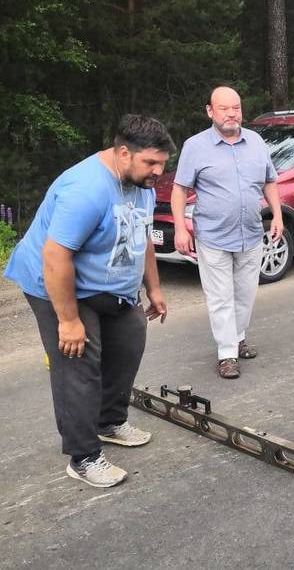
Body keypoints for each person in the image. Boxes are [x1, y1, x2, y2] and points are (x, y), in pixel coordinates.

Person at [4, 115, 175, 487]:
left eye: (162, 163)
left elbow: (141, 236)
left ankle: (109, 421)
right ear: (123, 152)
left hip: (108, 286)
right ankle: (83, 456)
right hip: (56, 283)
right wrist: (68, 321)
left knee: (130, 337)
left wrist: (154, 289)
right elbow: (56, 257)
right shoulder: (86, 189)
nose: (158, 172)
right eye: (151, 163)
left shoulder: (142, 183)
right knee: (79, 361)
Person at [172, 86, 283, 379]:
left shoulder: (257, 142)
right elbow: (180, 189)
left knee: (246, 293)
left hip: (250, 232)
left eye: (236, 107)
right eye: (224, 108)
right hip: (213, 236)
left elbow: (270, 181)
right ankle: (226, 354)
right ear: (210, 111)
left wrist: (278, 215)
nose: (232, 113)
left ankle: (238, 337)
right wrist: (180, 228)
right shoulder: (195, 146)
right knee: (220, 296)